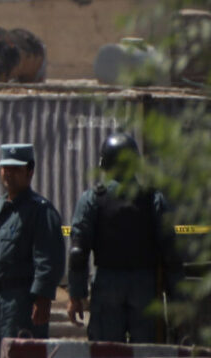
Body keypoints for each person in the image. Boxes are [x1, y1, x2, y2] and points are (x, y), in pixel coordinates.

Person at [67, 133, 181, 344]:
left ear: (104, 163)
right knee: (147, 351)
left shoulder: (93, 199)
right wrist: (177, 298)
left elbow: (78, 252)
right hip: (145, 287)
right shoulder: (153, 199)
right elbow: (171, 252)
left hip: (107, 285)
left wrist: (76, 295)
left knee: (107, 350)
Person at [0, 144, 64, 358]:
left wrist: (43, 298)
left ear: (30, 171)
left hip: (20, 303)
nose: (9, 174)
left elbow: (49, 257)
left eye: (16, 169)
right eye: (5, 168)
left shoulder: (39, 210)